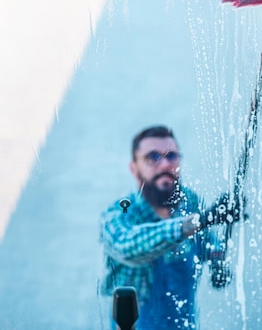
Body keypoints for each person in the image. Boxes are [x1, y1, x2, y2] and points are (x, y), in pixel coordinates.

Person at [99, 125, 244, 330]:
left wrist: (217, 259)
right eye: (153, 157)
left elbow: (205, 239)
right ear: (134, 168)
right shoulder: (120, 213)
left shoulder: (189, 203)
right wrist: (201, 221)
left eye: (172, 156)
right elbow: (128, 246)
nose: (165, 164)